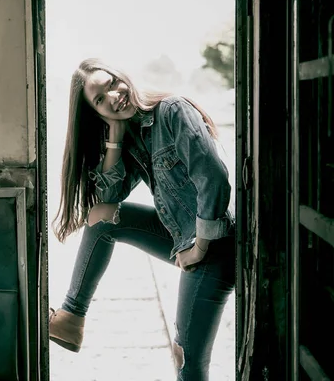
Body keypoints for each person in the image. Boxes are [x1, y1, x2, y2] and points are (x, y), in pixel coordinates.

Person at [49, 58, 235, 380]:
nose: (113, 96)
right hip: (184, 238)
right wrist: (115, 138)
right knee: (101, 220)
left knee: (186, 359)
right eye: (99, 100)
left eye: (111, 84)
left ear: (122, 76)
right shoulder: (133, 134)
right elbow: (108, 201)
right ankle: (72, 318)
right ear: (96, 114)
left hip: (216, 242)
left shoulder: (172, 111)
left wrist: (201, 248)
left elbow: (214, 177)